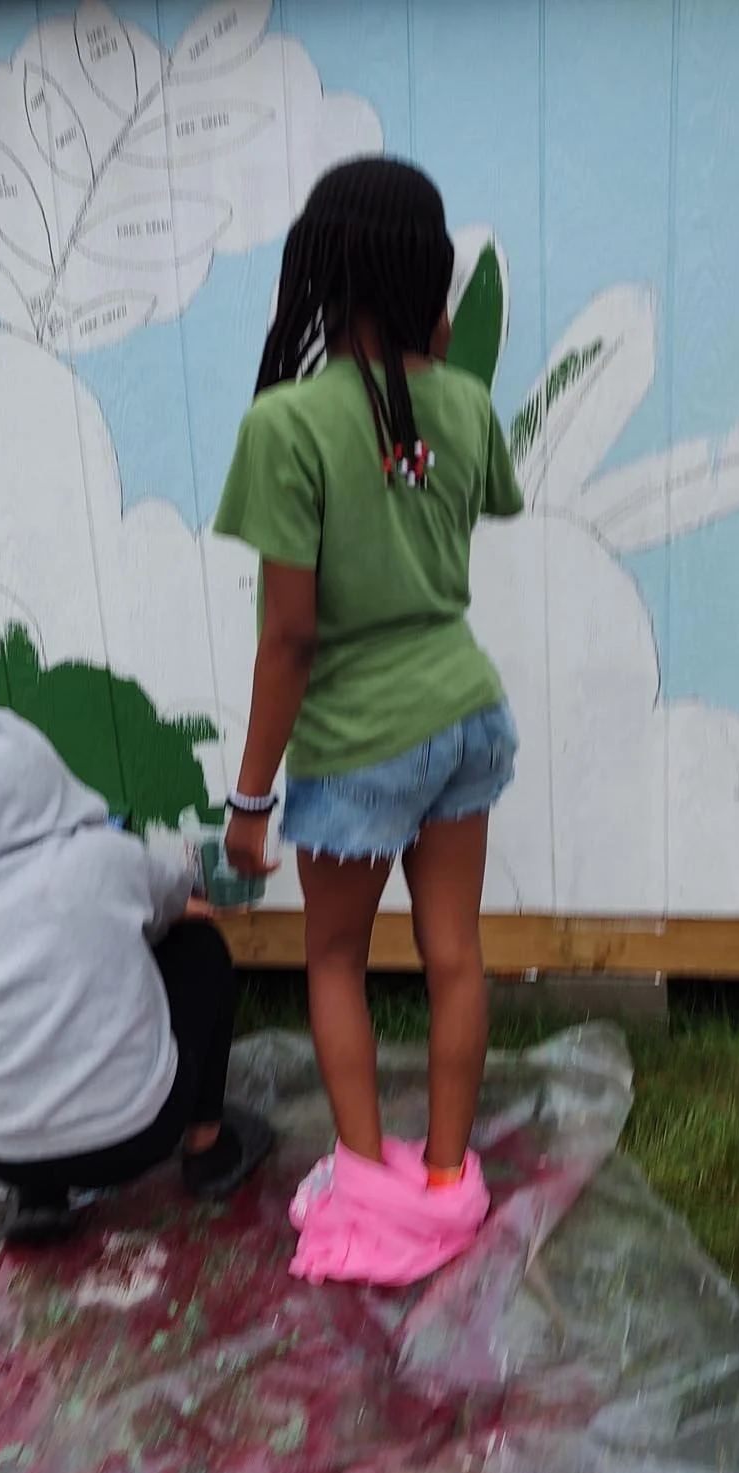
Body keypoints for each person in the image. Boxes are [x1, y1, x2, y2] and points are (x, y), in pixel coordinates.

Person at [213, 157, 523, 1286]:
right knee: (455, 956)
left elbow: (290, 637)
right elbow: (462, 503)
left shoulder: (288, 424)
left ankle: (362, 1186)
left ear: (319, 273)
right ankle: (443, 1181)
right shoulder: (466, 404)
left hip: (361, 742)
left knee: (336, 960)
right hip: (468, 712)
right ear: (425, 276)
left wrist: (250, 802)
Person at [0, 706, 274, 1243]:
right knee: (201, 949)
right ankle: (207, 1150)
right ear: (47, 781)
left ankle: (38, 1194)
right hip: (135, 1138)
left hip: (0, 1152)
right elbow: (176, 897)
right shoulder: (106, 857)